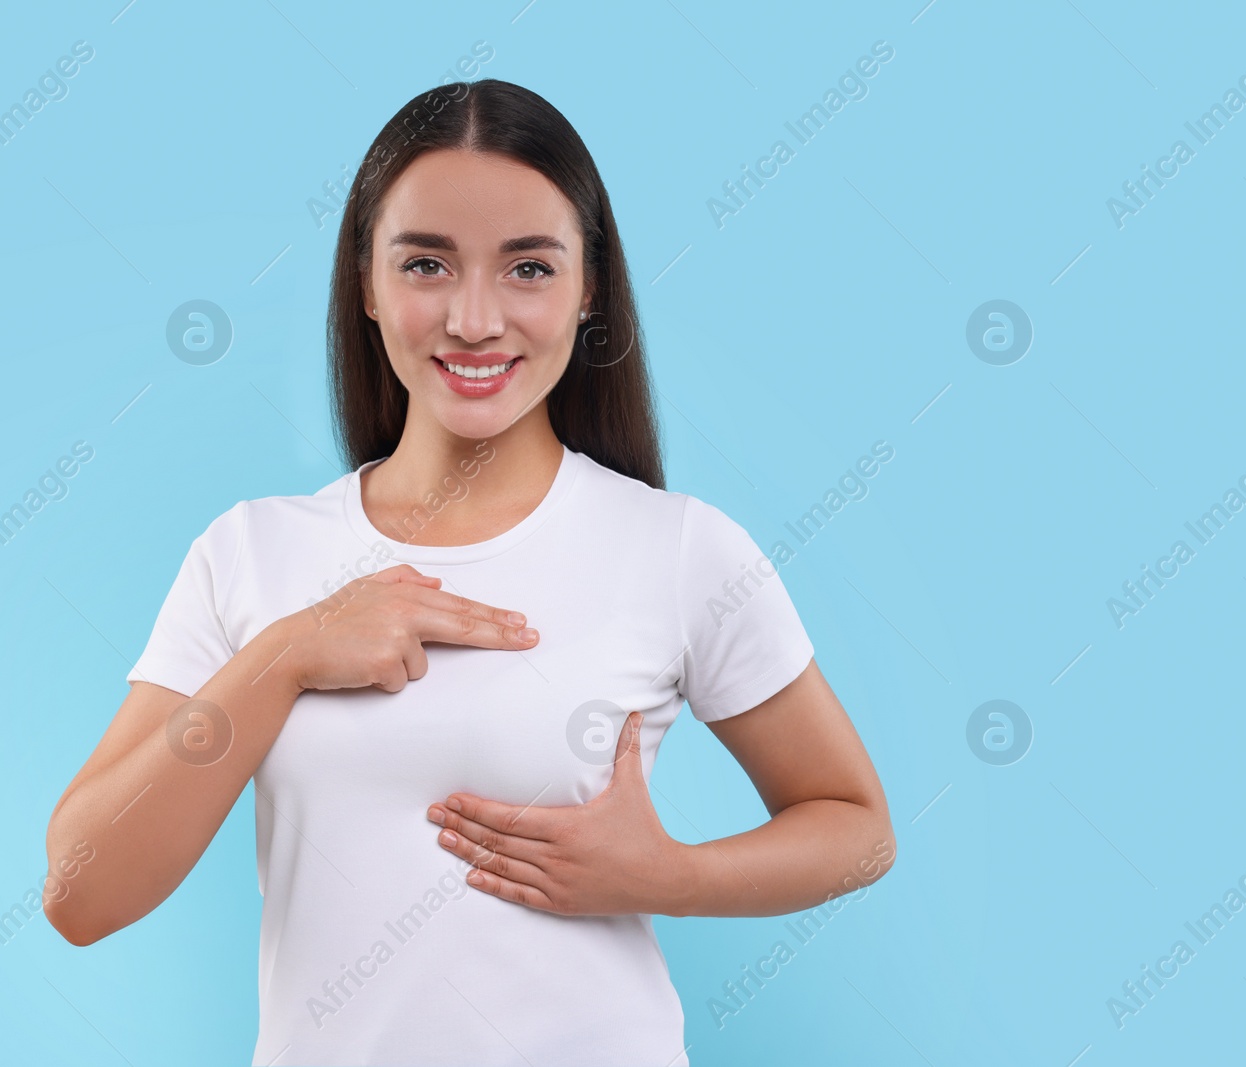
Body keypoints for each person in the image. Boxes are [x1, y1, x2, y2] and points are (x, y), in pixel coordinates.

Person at [43, 78, 895, 1066]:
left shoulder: (680, 549)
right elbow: (81, 891)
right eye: (426, 263)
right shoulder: (252, 553)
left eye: (528, 267)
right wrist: (283, 655)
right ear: (366, 280)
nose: (475, 318)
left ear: (589, 289)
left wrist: (669, 874)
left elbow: (857, 829)